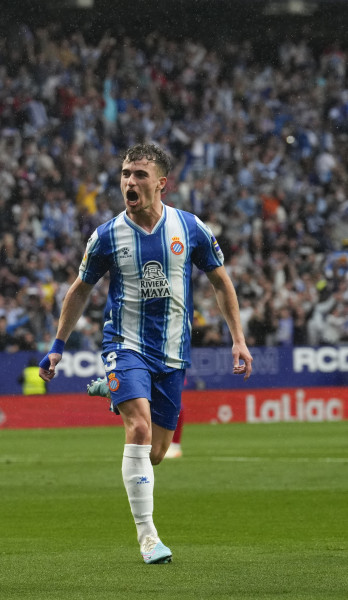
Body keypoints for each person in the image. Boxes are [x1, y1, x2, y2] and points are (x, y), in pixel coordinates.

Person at [38, 143, 253, 565]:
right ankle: (149, 537)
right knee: (137, 429)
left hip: (172, 352)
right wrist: (57, 346)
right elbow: (80, 290)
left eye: (139, 174)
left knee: (155, 453)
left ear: (161, 183)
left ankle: (111, 391)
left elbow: (221, 282)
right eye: (125, 174)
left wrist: (238, 339)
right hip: (124, 344)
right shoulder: (106, 236)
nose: (129, 182)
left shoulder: (189, 228)